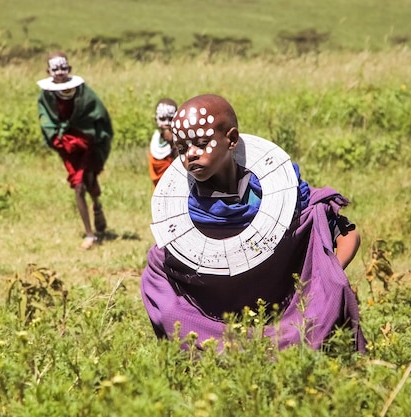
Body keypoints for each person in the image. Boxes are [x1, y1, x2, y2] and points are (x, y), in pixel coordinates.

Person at [140, 94, 366, 352]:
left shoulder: (281, 194)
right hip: (212, 321)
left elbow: (348, 234)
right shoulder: (183, 212)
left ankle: (285, 343)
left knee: (333, 290)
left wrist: (327, 274)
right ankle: (222, 348)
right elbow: (163, 270)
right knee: (159, 281)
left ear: (232, 139)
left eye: (202, 144)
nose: (190, 155)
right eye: (182, 149)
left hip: (285, 310)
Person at [36, 52, 114, 250]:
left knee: (87, 179)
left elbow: (98, 112)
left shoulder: (82, 91)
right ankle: (90, 234)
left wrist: (94, 135)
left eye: (63, 68)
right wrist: (58, 138)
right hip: (67, 146)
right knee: (78, 185)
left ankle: (96, 204)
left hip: (86, 141)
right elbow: (45, 118)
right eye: (56, 69)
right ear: (49, 71)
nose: (60, 73)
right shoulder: (47, 94)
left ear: (69, 69)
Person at [148, 98, 178, 189]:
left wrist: (174, 144)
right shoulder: (156, 139)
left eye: (170, 119)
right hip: (158, 190)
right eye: (162, 119)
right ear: (155, 120)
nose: (167, 123)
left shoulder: (179, 140)